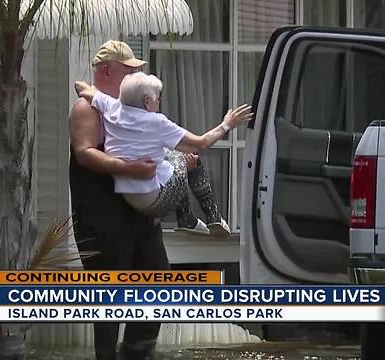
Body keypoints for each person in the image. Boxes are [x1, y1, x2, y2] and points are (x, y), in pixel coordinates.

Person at [69, 40, 165, 360]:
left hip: (136, 212)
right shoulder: (88, 108)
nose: (135, 76)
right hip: (100, 215)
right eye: (129, 71)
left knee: (158, 276)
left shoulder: (131, 108)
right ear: (108, 70)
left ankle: (138, 350)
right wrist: (129, 168)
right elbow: (84, 154)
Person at [75, 73, 252, 237]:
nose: (159, 104)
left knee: (171, 154)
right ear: (146, 101)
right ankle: (211, 216)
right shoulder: (156, 122)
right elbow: (202, 142)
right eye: (157, 100)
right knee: (192, 156)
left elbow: (80, 86)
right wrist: (227, 124)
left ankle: (188, 219)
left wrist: (97, 94)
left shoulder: (111, 108)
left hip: (130, 197)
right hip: (156, 199)